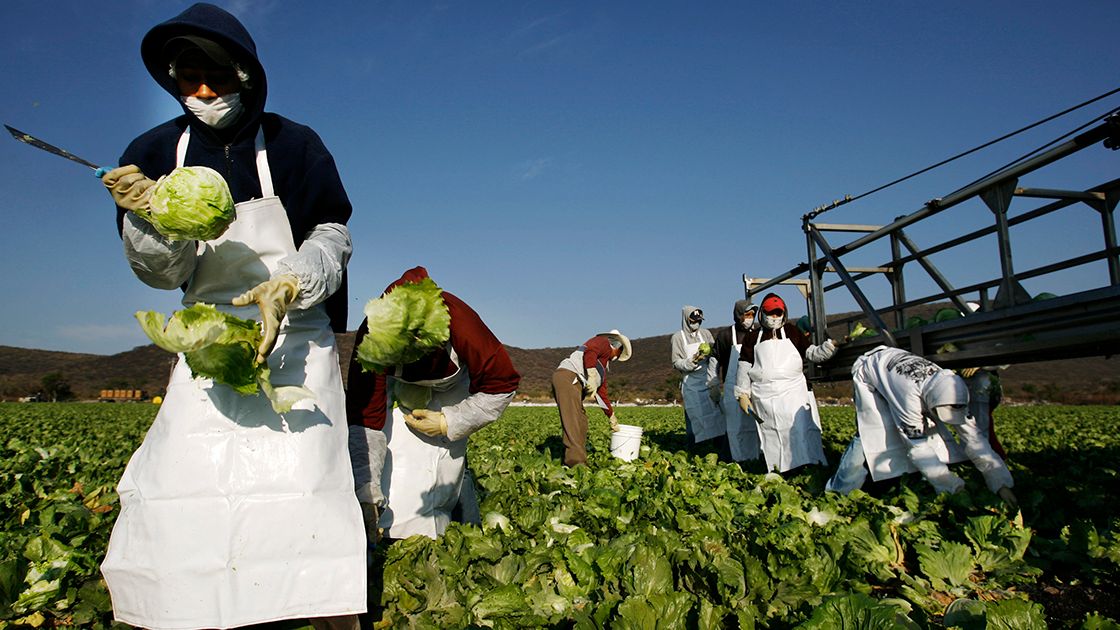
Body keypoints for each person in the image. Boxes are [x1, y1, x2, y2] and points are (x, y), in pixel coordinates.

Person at [97, 4, 365, 628]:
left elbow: (333, 233)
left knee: (303, 484)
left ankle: (318, 612)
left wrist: (294, 283)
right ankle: (180, 609)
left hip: (295, 332)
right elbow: (163, 274)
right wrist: (145, 219)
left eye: (216, 75)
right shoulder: (154, 150)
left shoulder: (296, 144)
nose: (204, 91)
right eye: (189, 78)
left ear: (245, 73)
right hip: (210, 340)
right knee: (182, 480)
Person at [346, 267, 521, 540]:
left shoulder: (462, 323)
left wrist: (448, 421)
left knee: (445, 466)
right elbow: (366, 417)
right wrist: (365, 489)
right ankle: (389, 530)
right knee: (397, 461)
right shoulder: (372, 336)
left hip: (452, 388)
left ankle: (449, 532)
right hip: (399, 389)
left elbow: (501, 385)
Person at [825, 346, 1017, 507]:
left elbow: (975, 439)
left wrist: (1001, 483)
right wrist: (953, 487)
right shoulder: (908, 395)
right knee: (872, 434)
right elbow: (917, 447)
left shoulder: (953, 390)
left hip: (904, 376)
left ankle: (908, 481)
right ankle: (838, 491)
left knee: (925, 435)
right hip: (871, 374)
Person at [734, 293, 840, 473]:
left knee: (799, 429)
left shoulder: (792, 332)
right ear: (763, 314)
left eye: (778, 313)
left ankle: (807, 463)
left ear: (784, 313)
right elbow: (744, 366)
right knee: (772, 432)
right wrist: (742, 393)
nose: (774, 317)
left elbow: (812, 353)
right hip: (765, 395)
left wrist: (830, 347)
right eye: (770, 313)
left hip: (793, 392)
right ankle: (779, 468)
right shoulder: (753, 338)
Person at [553, 330, 633, 466]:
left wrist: (611, 416)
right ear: (617, 348)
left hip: (574, 384)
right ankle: (576, 463)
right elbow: (590, 350)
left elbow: (601, 395)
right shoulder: (603, 342)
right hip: (568, 376)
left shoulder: (602, 367)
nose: (618, 357)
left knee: (581, 421)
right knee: (572, 421)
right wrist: (590, 375)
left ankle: (578, 454)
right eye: (620, 353)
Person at [711, 300, 762, 462]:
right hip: (732, 386)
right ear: (738, 315)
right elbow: (715, 360)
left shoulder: (759, 333)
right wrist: (713, 384)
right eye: (746, 314)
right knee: (734, 426)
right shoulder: (726, 335)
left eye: (752, 315)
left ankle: (756, 458)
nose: (750, 318)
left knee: (756, 425)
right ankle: (731, 459)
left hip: (755, 386)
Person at [671, 306, 725, 446]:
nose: (697, 323)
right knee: (694, 420)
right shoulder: (678, 337)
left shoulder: (705, 334)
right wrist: (691, 361)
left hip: (707, 381)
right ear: (686, 320)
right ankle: (694, 450)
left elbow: (714, 353)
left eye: (699, 321)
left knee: (717, 418)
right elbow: (676, 362)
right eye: (694, 320)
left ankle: (718, 449)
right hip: (691, 384)